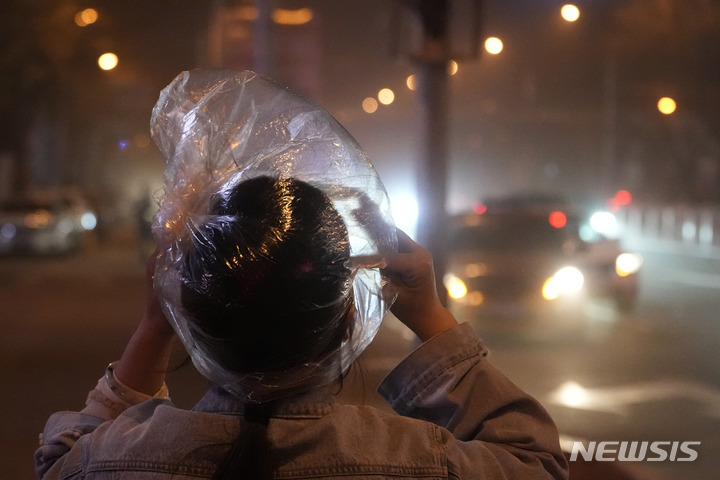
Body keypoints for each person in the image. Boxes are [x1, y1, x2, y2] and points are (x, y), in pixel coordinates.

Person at [35, 70, 568, 480]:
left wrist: (153, 327)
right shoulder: (424, 462)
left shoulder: (105, 462)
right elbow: (536, 460)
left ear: (189, 314)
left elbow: (61, 455)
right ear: (348, 319)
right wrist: (429, 316)